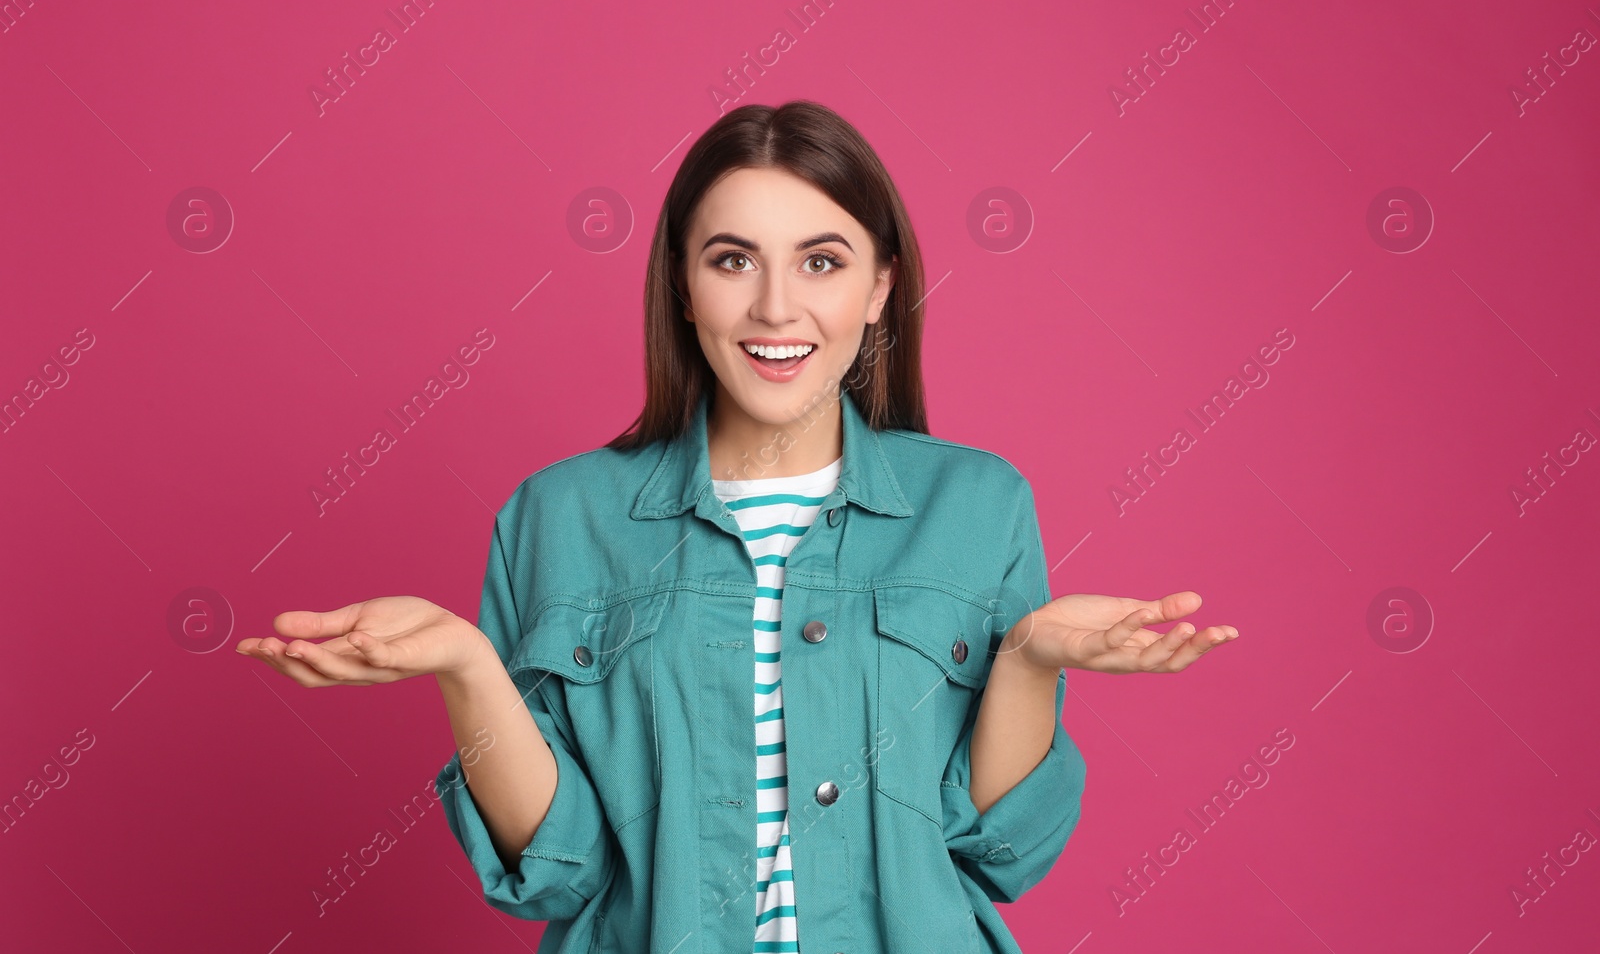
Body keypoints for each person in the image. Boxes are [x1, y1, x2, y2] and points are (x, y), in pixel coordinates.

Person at [239, 100, 1238, 953]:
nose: (775, 306)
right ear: (682, 280)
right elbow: (557, 869)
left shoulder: (977, 504)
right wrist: (468, 666)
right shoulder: (557, 514)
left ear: (879, 285)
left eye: (820, 259)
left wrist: (1026, 659)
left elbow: (992, 849)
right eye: (731, 259)